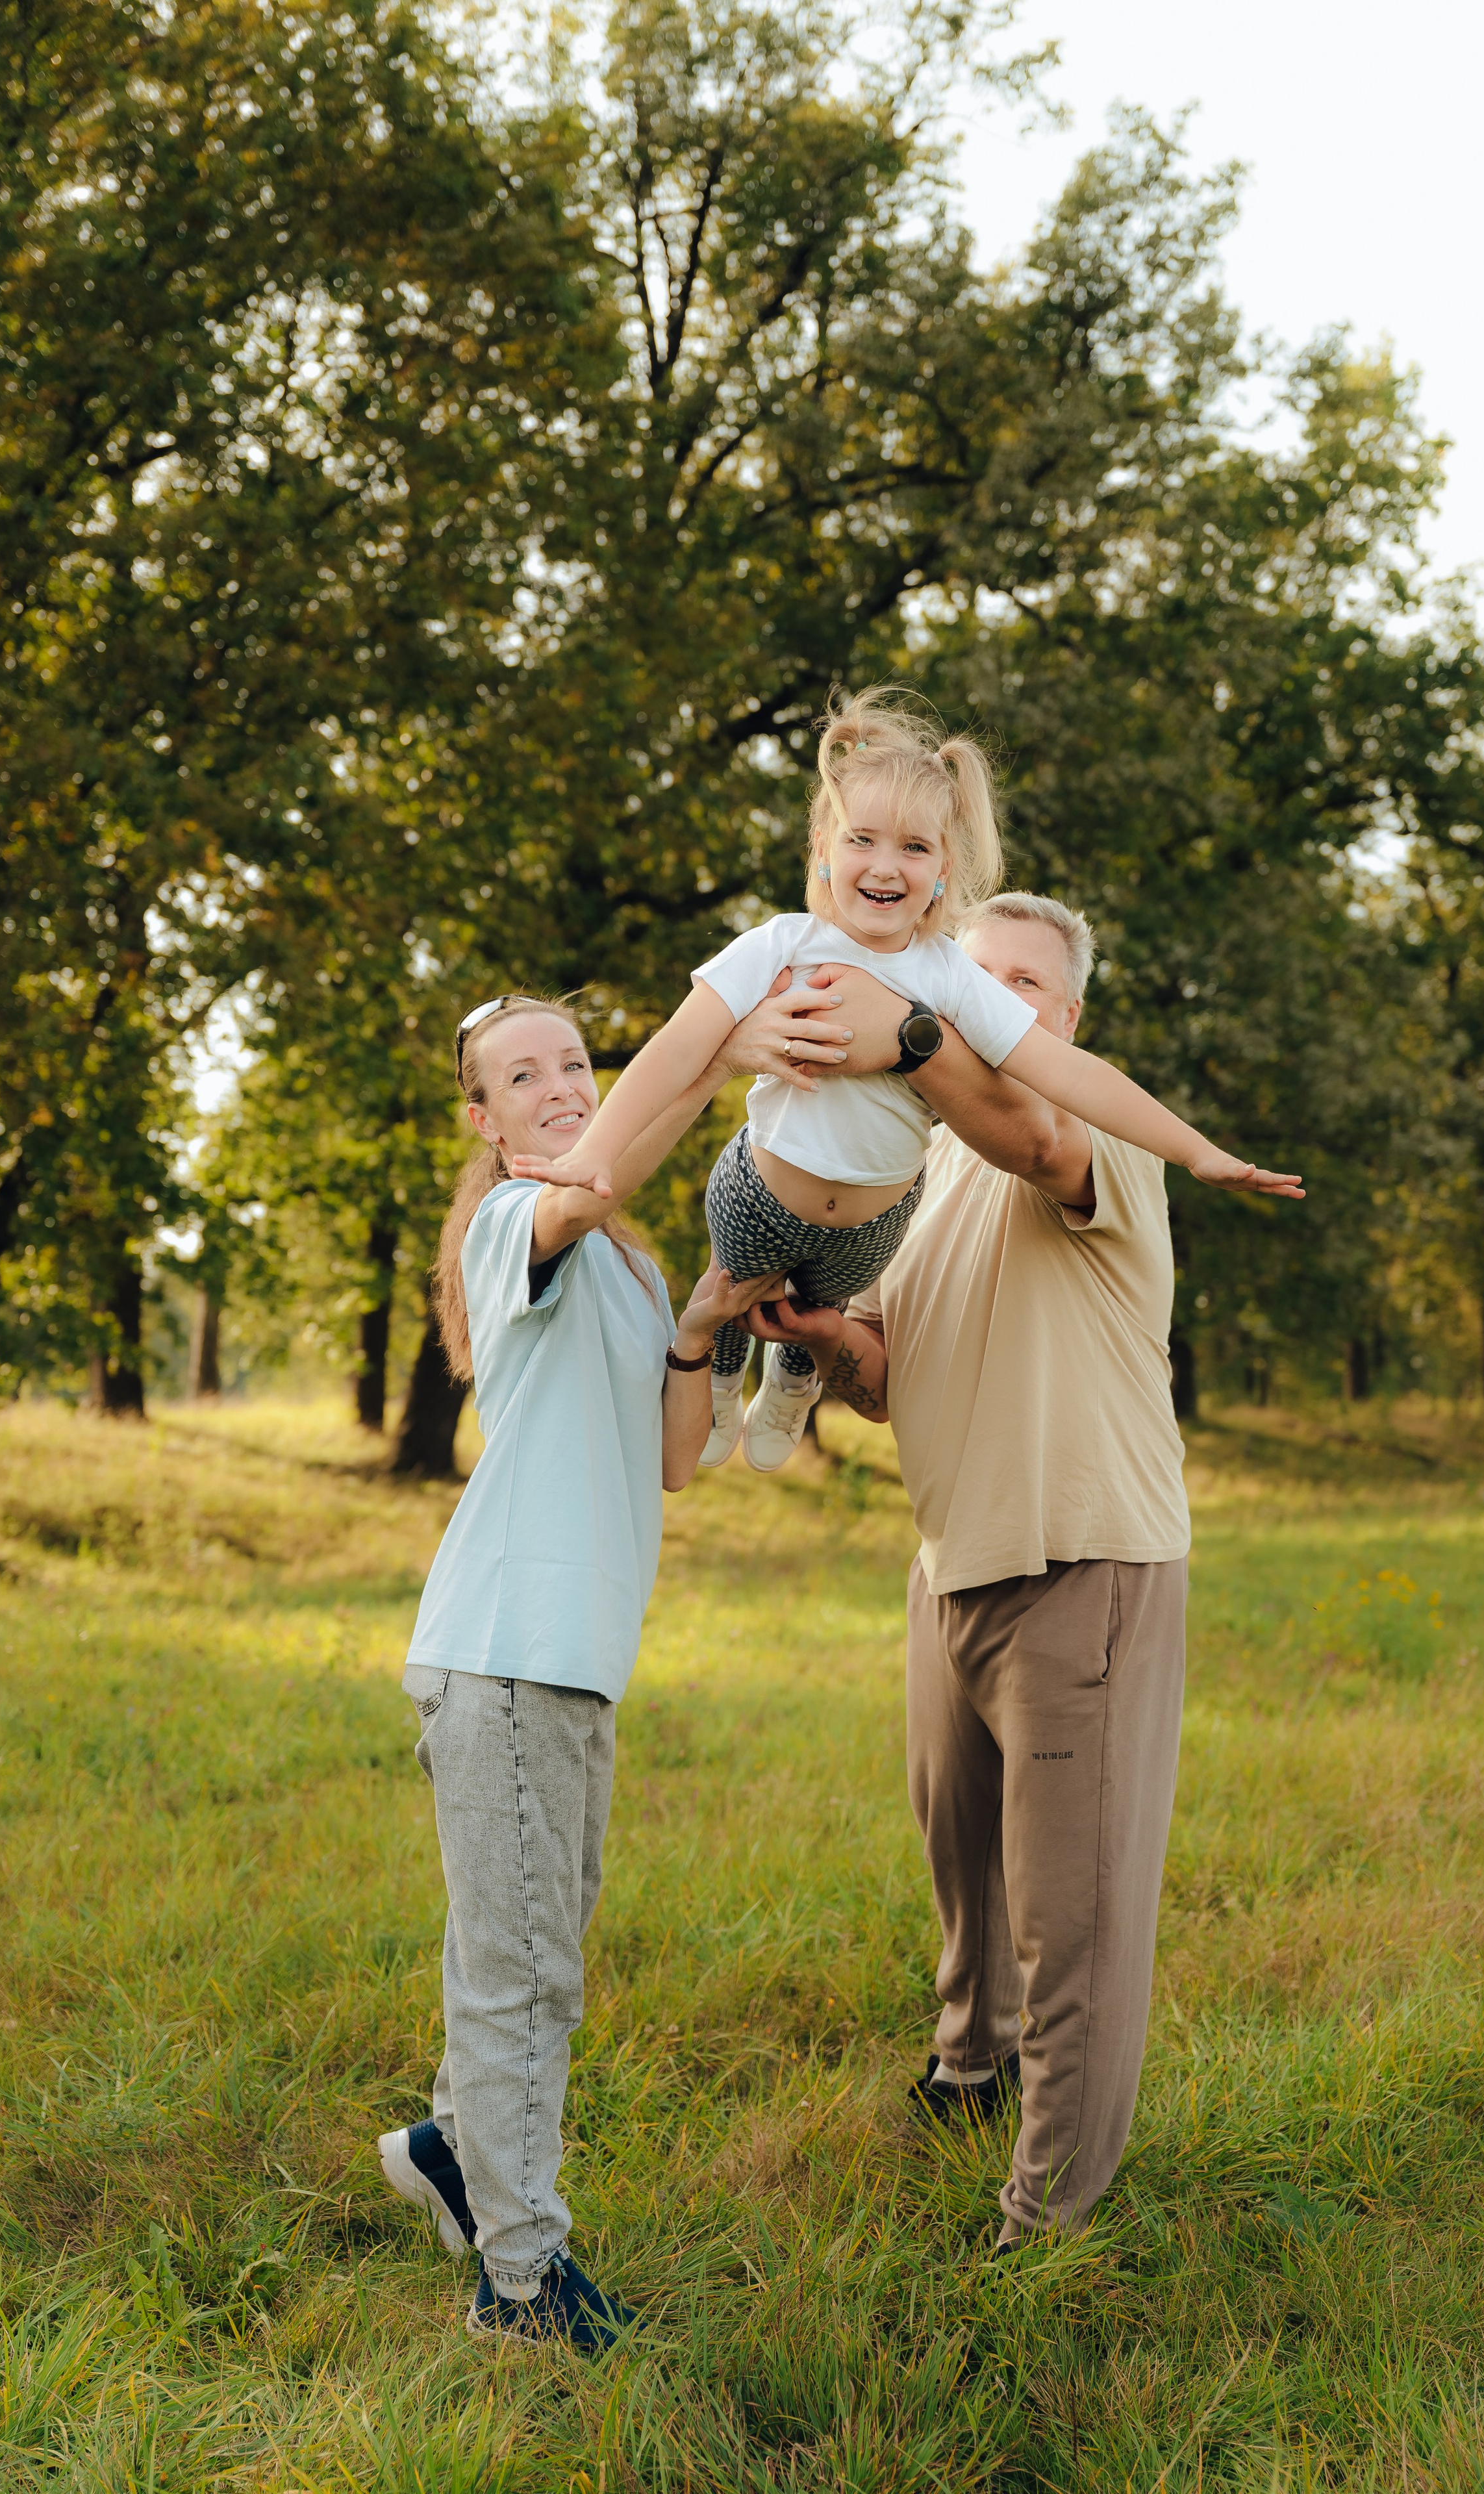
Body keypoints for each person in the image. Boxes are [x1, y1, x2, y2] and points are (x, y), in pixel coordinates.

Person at [746, 894, 1268, 2250]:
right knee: (963, 1875)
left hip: (1080, 1562)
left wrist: (908, 1024)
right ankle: (964, 2072)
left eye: (1019, 986)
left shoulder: (1093, 1132)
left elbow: (1031, 1130)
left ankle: (1047, 2216)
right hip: (950, 1569)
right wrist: (819, 1336)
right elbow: (879, 1375)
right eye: (971, 979)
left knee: (1069, 1917)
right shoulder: (917, 1183)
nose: (993, 1004)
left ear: (1068, 1019)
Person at [510, 688, 1301, 1476]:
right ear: (823, 846)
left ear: (943, 870)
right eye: (862, 840)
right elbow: (675, 1051)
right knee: (732, 1289)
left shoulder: (948, 977)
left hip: (869, 1230)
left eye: (915, 849)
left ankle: (791, 1380)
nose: (885, 866)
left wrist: (1197, 1153)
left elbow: (1067, 1070)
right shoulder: (779, 945)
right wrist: (596, 1155)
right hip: (762, 1191)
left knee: (813, 1315)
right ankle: (721, 1374)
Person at [376, 990, 786, 2349]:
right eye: (522, 1075)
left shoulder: (621, 1263)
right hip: (503, 1656)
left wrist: (705, 1319)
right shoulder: (516, 1229)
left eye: (575, 1062)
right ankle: (521, 2285)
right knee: (522, 1974)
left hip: (569, 1670)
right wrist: (722, 1042)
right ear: (482, 1120)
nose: (558, 1085)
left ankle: (450, 2149)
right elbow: (601, 1165)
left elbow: (677, 1456)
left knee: (535, 1957)